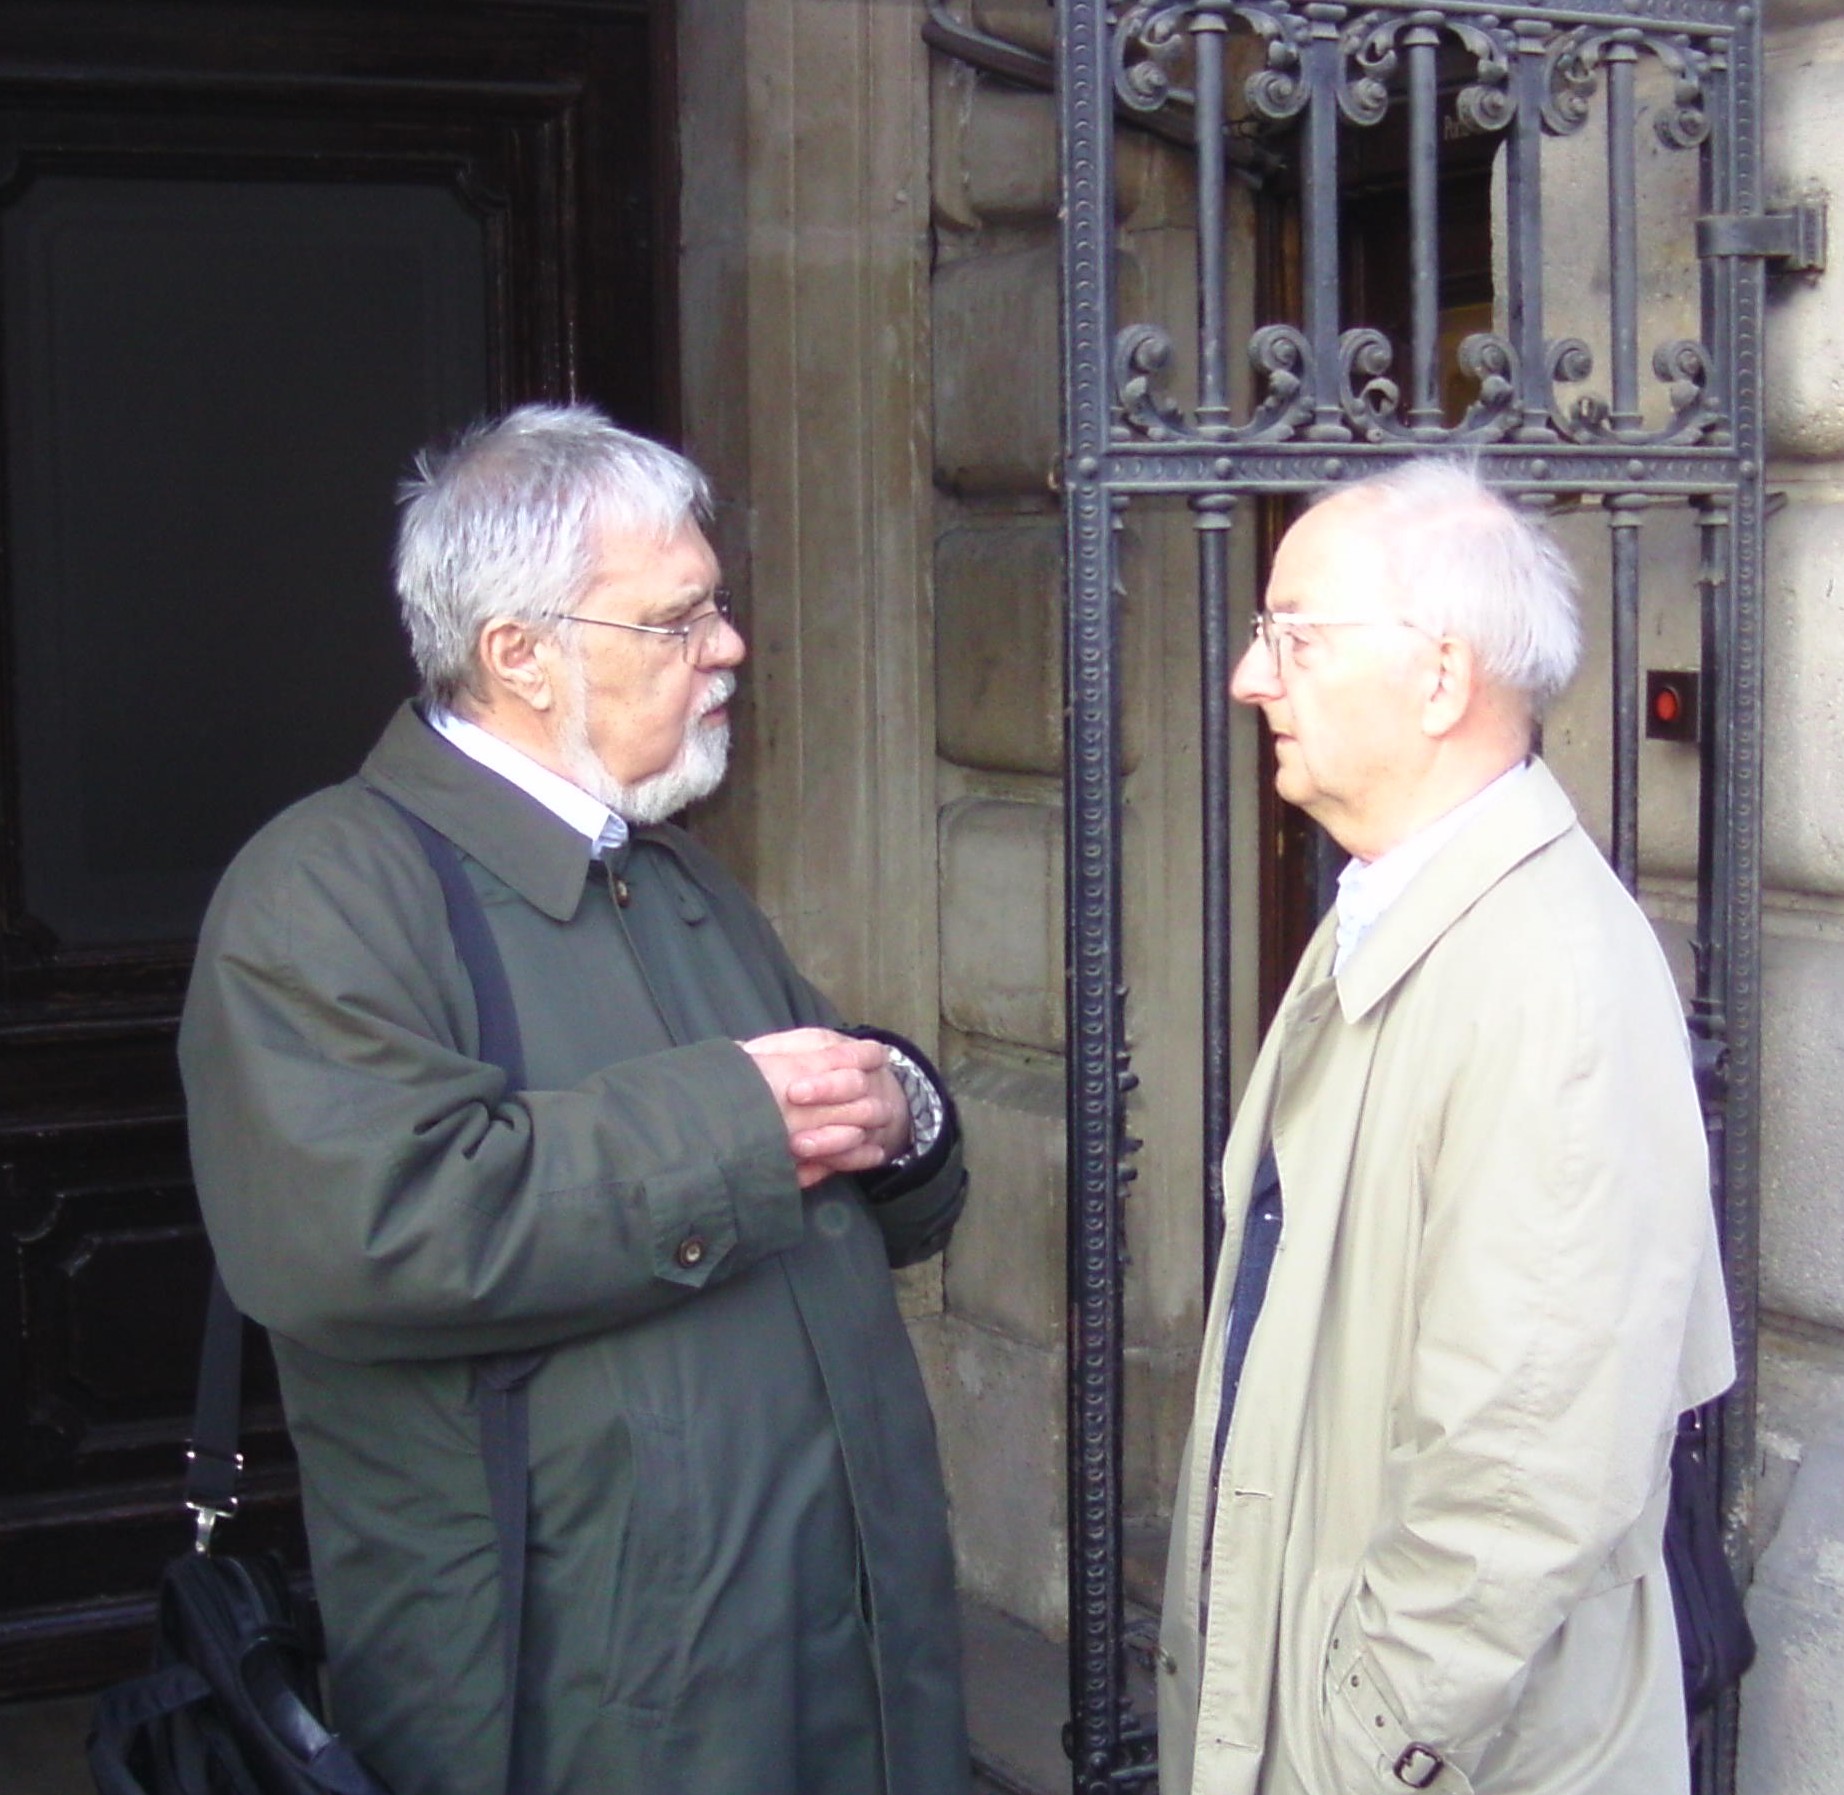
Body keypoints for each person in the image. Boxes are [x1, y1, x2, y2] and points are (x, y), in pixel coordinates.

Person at [179, 404, 970, 1795]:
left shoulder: (672, 870)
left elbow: (836, 1164)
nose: (727, 646)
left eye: (715, 606)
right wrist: (738, 1126)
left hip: (829, 1648)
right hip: (587, 1692)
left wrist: (902, 1116)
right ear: (520, 656)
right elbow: (365, 1233)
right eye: (675, 621)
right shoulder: (324, 889)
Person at [1157, 461, 1736, 1795]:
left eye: (1294, 637)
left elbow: (1523, 1470)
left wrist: (1367, 1740)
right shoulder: (1395, 913)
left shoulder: (1548, 978)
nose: (1250, 678)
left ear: (1439, 678)